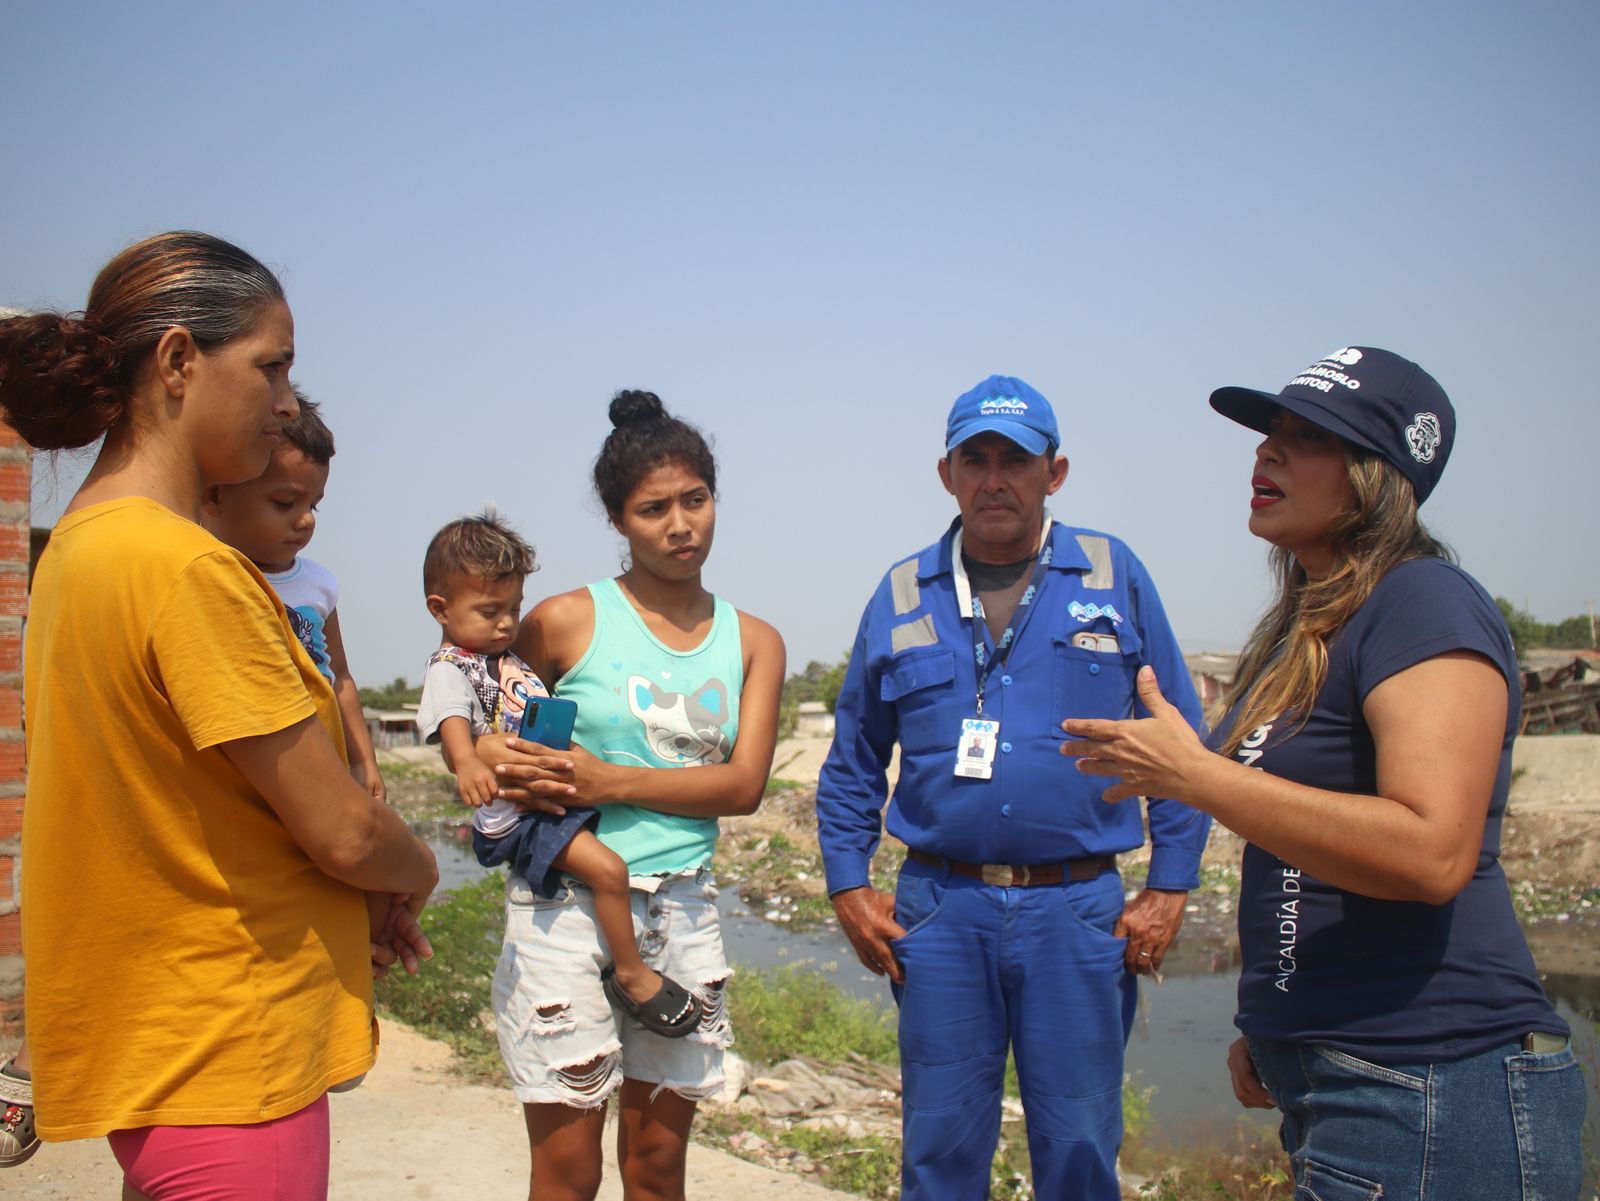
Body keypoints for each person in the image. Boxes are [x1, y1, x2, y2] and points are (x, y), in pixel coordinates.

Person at [1062, 347, 1587, 1199]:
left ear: (1376, 478)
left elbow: (1431, 852)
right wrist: (1275, 1022)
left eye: (1305, 437)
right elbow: (1300, 839)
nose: (1266, 451)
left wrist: (1197, 777)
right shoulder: (1301, 627)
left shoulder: (1425, 602)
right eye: (1270, 431)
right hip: (1345, 1074)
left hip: (1436, 1082)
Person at [0, 231, 437, 1200]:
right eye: (271, 366)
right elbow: (345, 825)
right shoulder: (190, 569)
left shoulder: (78, 549)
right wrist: (417, 866)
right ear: (177, 362)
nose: (286, 399)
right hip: (235, 1061)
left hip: (161, 1055)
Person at [815, 375, 1212, 1201]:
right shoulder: (899, 593)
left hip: (1075, 912)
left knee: (1077, 1150)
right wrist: (849, 885)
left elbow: (1179, 744)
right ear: (946, 472)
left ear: (1053, 473)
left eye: (1015, 460)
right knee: (940, 1150)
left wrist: (1171, 884)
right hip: (940, 908)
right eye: (976, 459)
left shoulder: (1112, 574)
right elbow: (853, 758)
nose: (995, 478)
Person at [472, 390, 785, 1201]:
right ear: (618, 519)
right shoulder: (565, 622)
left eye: (695, 499)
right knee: (568, 1171)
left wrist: (608, 780)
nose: (680, 524)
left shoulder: (753, 641)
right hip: (564, 910)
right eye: (653, 509)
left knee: (656, 1168)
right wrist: (495, 756)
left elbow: (743, 785)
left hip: (683, 911)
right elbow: (485, 723)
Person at [416, 509, 700, 1035]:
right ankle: (632, 974)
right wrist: (467, 763)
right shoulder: (452, 667)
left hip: (541, 799)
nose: (505, 622)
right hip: (518, 817)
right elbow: (452, 720)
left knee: (604, 865)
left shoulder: (506, 659)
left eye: (514, 608)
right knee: (610, 872)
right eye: (488, 610)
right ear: (440, 608)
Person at [202, 389, 385, 802]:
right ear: (214, 495)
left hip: (324, 761)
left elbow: (339, 678)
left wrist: (364, 761)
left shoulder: (318, 584)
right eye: (285, 502)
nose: (304, 520)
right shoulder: (212, 576)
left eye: (314, 506)